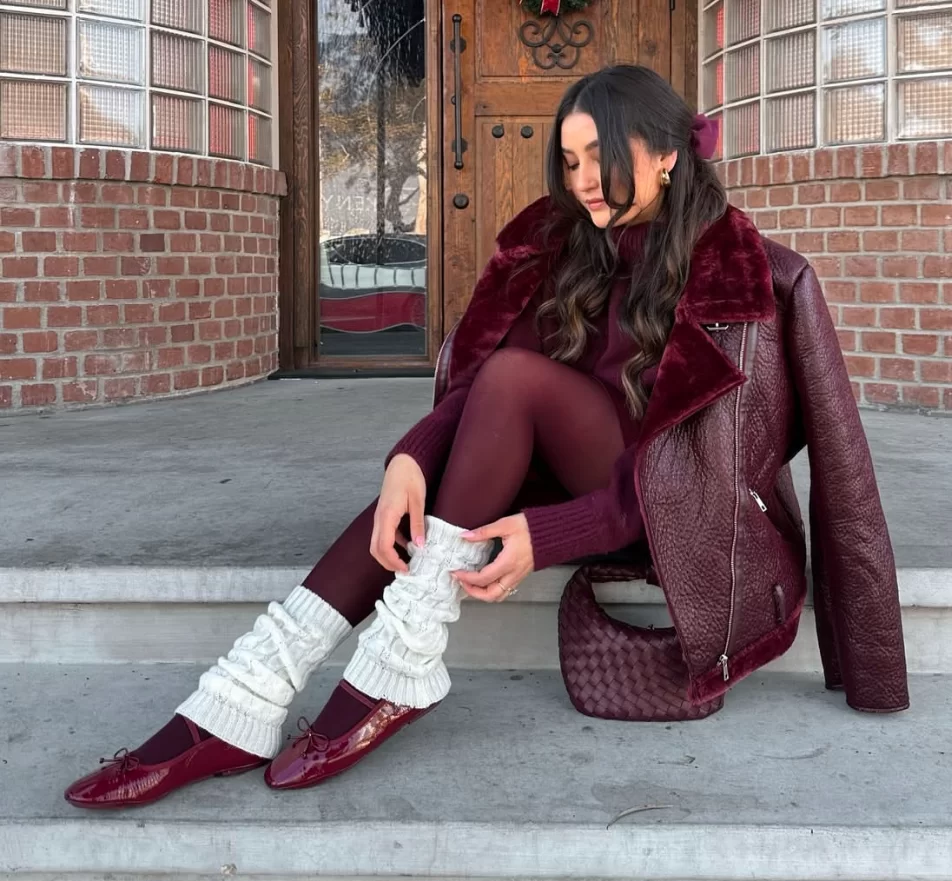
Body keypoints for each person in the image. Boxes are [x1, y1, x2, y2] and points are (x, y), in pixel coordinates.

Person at [64, 64, 909, 809]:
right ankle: (246, 693)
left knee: (507, 391)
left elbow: (825, 479)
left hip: (681, 523)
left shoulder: (759, 278)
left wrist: (868, 664)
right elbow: (486, 386)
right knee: (439, 458)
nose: (581, 179)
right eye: (569, 160)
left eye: (600, 156)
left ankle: (397, 658)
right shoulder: (567, 250)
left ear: (667, 153)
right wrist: (409, 458)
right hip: (579, 479)